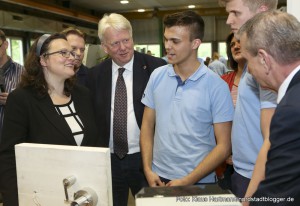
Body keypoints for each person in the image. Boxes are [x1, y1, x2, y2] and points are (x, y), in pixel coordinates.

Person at [0, 33, 99, 206]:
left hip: (84, 195)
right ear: (43, 60)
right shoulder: (22, 99)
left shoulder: (83, 95)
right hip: (42, 195)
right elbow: (9, 157)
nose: (72, 58)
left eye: (73, 53)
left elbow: (95, 144)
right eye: (63, 53)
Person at [140, 10, 234, 187]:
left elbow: (224, 146)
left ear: (195, 43)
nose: (167, 46)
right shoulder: (156, 76)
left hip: (199, 181)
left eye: (175, 41)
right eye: (166, 39)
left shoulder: (216, 86)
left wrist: (187, 180)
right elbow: (147, 126)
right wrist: (147, 169)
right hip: (157, 177)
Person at [87, 13, 166, 206]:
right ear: (104, 47)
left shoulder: (157, 68)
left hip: (146, 159)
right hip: (110, 160)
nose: (123, 48)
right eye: (115, 43)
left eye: (126, 40)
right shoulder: (95, 75)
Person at [237, 10, 300, 206]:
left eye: (248, 61)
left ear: (264, 59)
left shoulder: (290, 111)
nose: (250, 70)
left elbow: (277, 195)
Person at [219, 0, 278, 198]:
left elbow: (271, 137)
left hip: (257, 177)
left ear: (261, 11)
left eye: (235, 13)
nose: (229, 20)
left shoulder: (266, 59)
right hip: (243, 171)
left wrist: (251, 194)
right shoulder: (252, 56)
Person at [216, 32, 246, 190]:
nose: (236, 46)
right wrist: (225, 153)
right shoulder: (223, 82)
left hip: (254, 159)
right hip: (226, 160)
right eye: (232, 44)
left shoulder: (264, 81)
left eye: (239, 42)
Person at [0, 30, 24, 142]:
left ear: (5, 44)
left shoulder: (23, 73)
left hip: (13, 139)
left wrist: (13, 101)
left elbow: (32, 105)